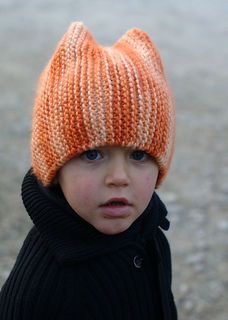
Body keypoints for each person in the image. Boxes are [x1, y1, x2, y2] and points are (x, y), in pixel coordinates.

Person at [0, 21, 177, 319]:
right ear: (55, 167)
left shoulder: (150, 230)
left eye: (138, 154)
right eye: (93, 154)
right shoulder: (45, 294)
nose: (119, 178)